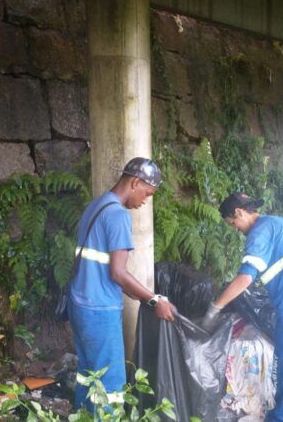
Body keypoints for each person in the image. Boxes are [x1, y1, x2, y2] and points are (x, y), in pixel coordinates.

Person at [200, 192, 283, 422]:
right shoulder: (279, 223)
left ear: (239, 212)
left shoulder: (259, 232)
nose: (235, 228)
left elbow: (245, 278)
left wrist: (214, 308)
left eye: (232, 223)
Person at [68, 157, 176, 413]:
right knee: (111, 385)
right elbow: (118, 273)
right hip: (100, 310)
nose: (144, 201)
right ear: (135, 182)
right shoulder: (117, 215)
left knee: (88, 376)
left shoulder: (95, 206)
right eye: (147, 194)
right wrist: (154, 300)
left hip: (79, 304)